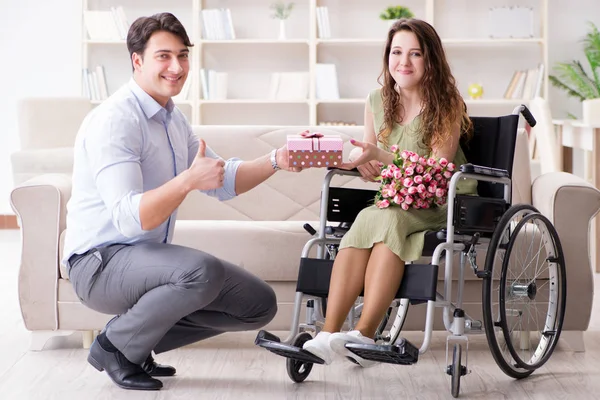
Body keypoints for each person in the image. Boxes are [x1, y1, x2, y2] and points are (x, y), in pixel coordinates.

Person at [63, 12, 303, 391]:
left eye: (183, 55)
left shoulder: (173, 120)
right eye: (163, 56)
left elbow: (223, 181)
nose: (176, 67)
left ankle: (137, 344)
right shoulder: (115, 120)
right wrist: (187, 180)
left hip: (142, 259)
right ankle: (115, 347)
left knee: (258, 303)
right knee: (200, 271)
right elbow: (130, 219)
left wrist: (277, 159)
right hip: (98, 263)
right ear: (137, 60)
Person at [302, 18, 477, 367]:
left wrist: (380, 156)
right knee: (370, 220)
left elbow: (437, 171)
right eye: (397, 52)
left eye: (415, 54)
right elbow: (376, 161)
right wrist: (363, 164)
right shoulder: (375, 101)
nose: (404, 62)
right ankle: (328, 333)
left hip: (444, 198)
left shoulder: (448, 105)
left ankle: (364, 334)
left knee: (387, 222)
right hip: (395, 198)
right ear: (387, 57)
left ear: (431, 61)